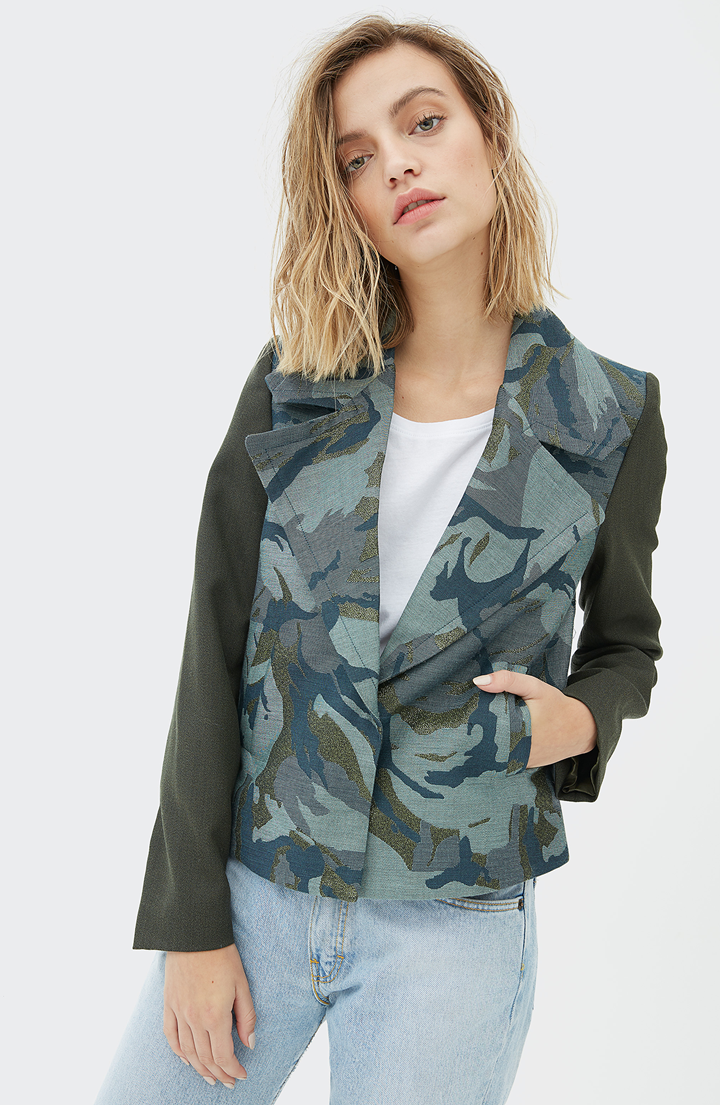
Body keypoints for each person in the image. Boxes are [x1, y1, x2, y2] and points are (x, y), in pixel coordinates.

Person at [96, 15, 665, 1105]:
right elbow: (213, 646)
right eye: (357, 158)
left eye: (424, 123)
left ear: (489, 131)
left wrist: (582, 720)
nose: (396, 164)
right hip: (261, 887)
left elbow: (628, 642)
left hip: (457, 919)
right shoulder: (294, 380)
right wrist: (189, 922)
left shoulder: (610, 412)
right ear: (346, 203)